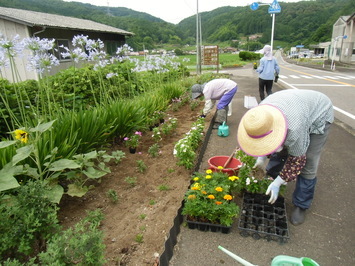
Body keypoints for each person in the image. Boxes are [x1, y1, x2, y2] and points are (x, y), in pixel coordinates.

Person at [237, 89, 334, 226]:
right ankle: (274, 176)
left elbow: (297, 160)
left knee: (309, 160)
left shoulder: (293, 129)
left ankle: (301, 204)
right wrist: (261, 159)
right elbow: (263, 139)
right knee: (280, 151)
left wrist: (278, 183)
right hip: (294, 106)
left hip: (319, 112)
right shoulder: (259, 115)